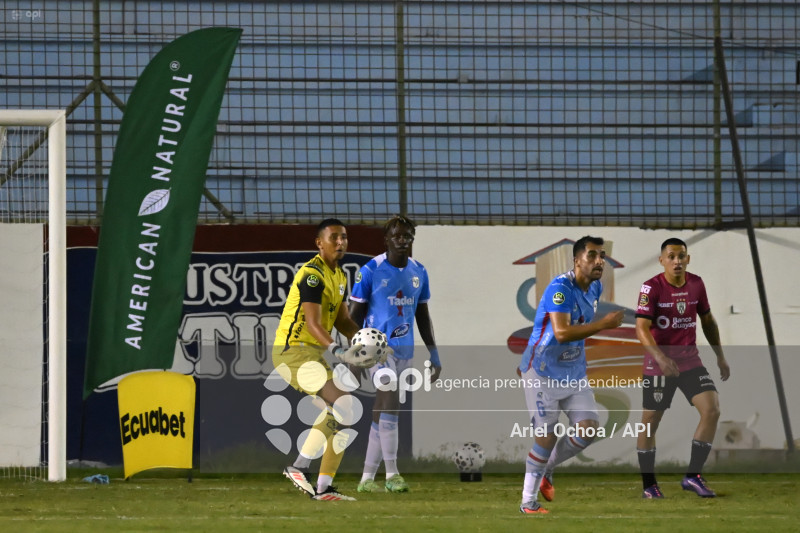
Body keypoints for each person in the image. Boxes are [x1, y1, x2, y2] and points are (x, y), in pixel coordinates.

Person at [273, 218, 384, 502]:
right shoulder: (312, 274)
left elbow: (344, 321)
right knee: (344, 404)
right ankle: (298, 467)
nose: (340, 242)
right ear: (319, 243)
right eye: (334, 237)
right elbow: (312, 323)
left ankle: (323, 488)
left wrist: (370, 344)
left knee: (344, 412)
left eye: (344, 237)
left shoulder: (339, 276)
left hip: (311, 354)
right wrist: (337, 350)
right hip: (292, 352)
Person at [516, 236, 625, 514]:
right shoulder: (560, 289)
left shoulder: (596, 286)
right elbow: (562, 332)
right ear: (577, 261)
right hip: (542, 371)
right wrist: (603, 324)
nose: (599, 261)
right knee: (546, 436)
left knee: (588, 429)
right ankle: (527, 503)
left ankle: (548, 467)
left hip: (573, 372)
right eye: (592, 256)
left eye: (601, 255)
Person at [349, 215, 441, 493]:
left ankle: (367, 479)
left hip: (405, 349)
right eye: (397, 236)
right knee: (390, 401)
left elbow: (422, 314)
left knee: (384, 410)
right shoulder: (370, 270)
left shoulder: (419, 271)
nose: (402, 240)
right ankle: (392, 474)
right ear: (386, 239)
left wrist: (433, 352)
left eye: (407, 236)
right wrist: (354, 355)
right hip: (377, 349)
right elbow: (354, 315)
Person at [635, 238, 730, 499]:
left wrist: (720, 355)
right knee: (649, 424)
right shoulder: (650, 288)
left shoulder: (697, 284)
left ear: (688, 259)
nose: (677, 261)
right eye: (671, 256)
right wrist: (661, 358)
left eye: (681, 256)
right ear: (662, 260)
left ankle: (693, 476)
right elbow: (641, 328)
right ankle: (649, 485)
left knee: (711, 410)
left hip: (690, 362)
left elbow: (708, 320)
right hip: (658, 365)